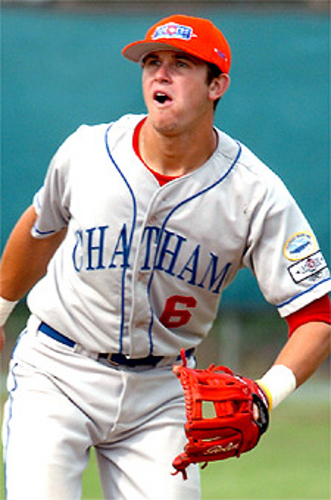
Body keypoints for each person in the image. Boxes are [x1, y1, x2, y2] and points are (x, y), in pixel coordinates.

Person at [1, 14, 330, 500]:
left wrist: (267, 393)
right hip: (58, 369)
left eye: (181, 64)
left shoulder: (255, 193)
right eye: (152, 61)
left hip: (162, 393)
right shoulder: (89, 151)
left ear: (217, 84)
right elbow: (41, 226)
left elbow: (317, 313)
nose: (161, 73)